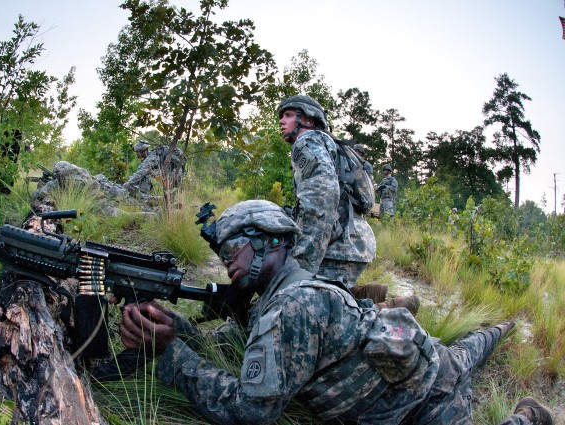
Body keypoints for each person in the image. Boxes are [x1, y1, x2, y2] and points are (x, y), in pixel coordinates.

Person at [119, 200, 553, 425]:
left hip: (421, 404)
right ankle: (503, 326)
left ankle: (533, 413)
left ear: (271, 240)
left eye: (233, 247)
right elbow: (249, 352)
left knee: (466, 358)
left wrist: (173, 353)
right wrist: (179, 330)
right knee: (471, 347)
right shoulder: (284, 290)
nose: (226, 262)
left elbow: (248, 412)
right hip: (419, 360)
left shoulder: (292, 306)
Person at [277, 95, 416, 310]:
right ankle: (374, 296)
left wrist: (301, 263)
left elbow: (320, 201)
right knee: (330, 298)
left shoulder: (308, 141)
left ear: (308, 120)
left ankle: (392, 310)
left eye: (287, 115)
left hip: (339, 246)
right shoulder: (331, 145)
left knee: (310, 309)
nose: (281, 121)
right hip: (354, 243)